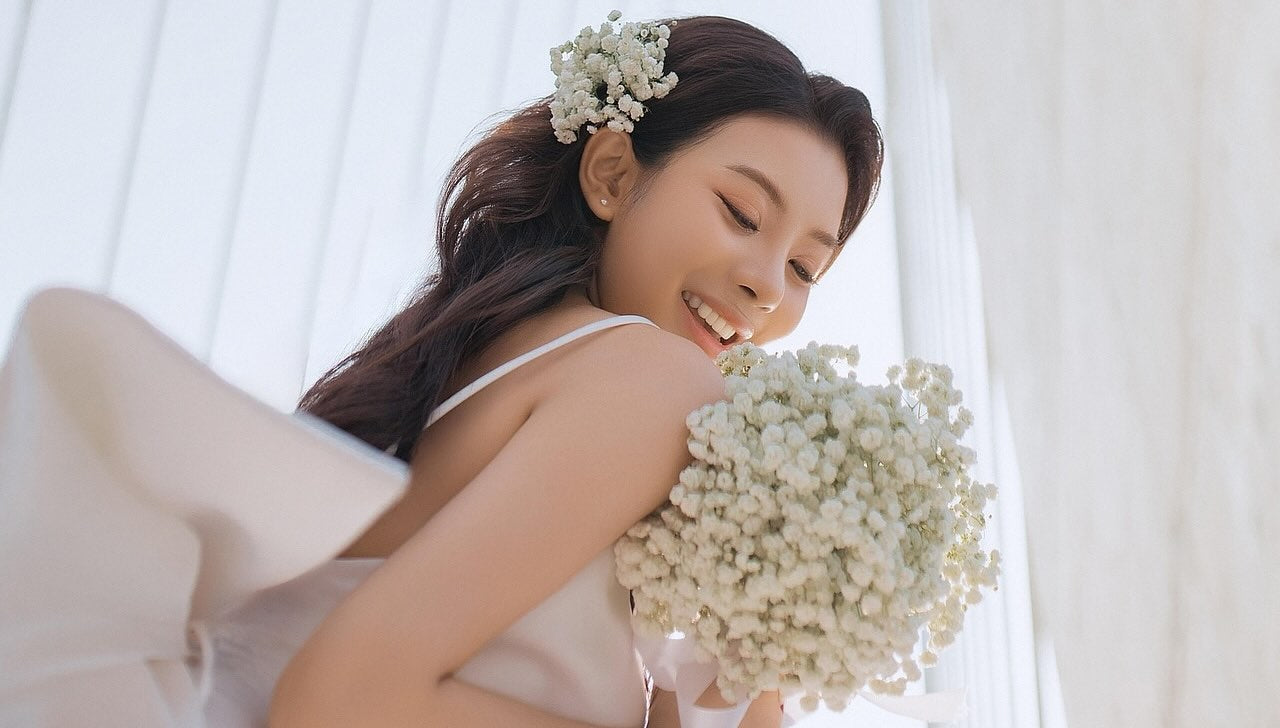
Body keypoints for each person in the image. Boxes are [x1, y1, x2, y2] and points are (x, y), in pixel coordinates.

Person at [0, 11, 882, 728]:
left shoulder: (505, 355)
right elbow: (338, 703)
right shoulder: (650, 382)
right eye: (740, 212)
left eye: (806, 268)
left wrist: (782, 585)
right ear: (611, 173)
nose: (766, 285)